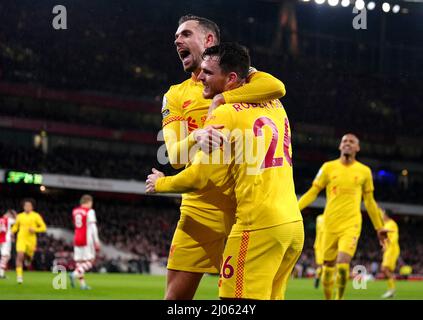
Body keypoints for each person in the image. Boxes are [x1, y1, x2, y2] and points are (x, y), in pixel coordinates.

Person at [147, 42, 303, 300]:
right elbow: (276, 86)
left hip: (257, 225)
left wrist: (161, 183)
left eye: (208, 73)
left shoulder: (225, 115)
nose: (200, 77)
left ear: (231, 78)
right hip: (292, 227)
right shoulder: (274, 103)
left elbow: (198, 176)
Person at [297, 134, 388, 300]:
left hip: (351, 224)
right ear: (339, 146)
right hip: (330, 224)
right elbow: (312, 192)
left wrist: (379, 227)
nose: (347, 144)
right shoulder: (327, 167)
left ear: (357, 148)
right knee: (327, 269)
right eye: (344, 141)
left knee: (343, 266)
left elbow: (369, 202)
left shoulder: (364, 171)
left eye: (351, 142)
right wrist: (295, 209)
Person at [11, 198, 47, 284]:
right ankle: (19, 276)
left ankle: (29, 259)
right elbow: (15, 226)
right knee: (20, 255)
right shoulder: (19, 216)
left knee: (29, 257)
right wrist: (11, 232)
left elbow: (43, 228)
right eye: (26, 206)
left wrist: (34, 229)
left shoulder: (36, 216)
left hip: (31, 240)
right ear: (23, 207)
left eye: (29, 206)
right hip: (21, 239)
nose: (27, 207)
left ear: (32, 207)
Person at [69, 194, 100, 290]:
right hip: (87, 239)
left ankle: (82, 285)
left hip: (77, 238)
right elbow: (93, 227)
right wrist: (96, 241)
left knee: (80, 263)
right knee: (91, 261)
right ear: (88, 202)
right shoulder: (89, 211)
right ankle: (73, 274)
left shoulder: (75, 211)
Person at [380, 208, 400, 299]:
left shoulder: (392, 224)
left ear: (387, 215)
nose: (382, 215)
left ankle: (391, 290)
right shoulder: (387, 224)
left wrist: (386, 246)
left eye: (383, 214)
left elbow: (393, 238)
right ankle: (391, 290)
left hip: (392, 249)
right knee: (388, 270)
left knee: (384, 269)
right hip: (389, 249)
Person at [0, 209, 17, 278]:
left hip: (1, 240)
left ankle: (1, 273)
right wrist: (15, 214)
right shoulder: (8, 220)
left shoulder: (0, 219)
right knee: (6, 256)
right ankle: (1, 274)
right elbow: (18, 221)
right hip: (6, 240)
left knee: (5, 256)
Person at [313, 214, 324, 289]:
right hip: (320, 246)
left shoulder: (319, 218)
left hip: (319, 246)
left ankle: (317, 277)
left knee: (322, 266)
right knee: (322, 265)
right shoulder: (320, 218)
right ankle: (318, 278)